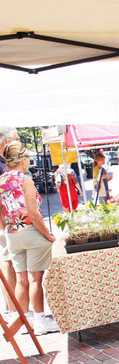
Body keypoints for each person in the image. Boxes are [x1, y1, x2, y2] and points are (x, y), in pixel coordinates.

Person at [0, 141, 60, 335]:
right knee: (35, 280)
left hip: (12, 233)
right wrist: (48, 235)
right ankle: (41, 321)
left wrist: (7, 229)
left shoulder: (2, 180)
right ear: (23, 159)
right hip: (29, 231)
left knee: (21, 280)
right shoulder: (24, 180)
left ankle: (26, 321)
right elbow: (33, 214)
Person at [0, 127, 18, 322]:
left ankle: (11, 309)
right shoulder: (1, 165)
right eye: (15, 140)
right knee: (8, 263)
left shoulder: (3, 163)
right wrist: (4, 225)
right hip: (5, 223)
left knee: (8, 262)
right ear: (6, 142)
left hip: (7, 223)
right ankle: (14, 311)